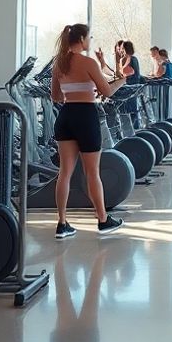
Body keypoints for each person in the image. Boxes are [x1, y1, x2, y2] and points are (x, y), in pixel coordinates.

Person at [52, 24, 125, 237]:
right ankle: (103, 220)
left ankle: (62, 223)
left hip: (66, 116)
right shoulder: (88, 62)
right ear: (82, 39)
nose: (90, 41)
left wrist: (78, 89)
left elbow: (56, 96)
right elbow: (107, 91)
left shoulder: (59, 63)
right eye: (89, 37)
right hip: (85, 116)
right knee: (92, 172)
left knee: (64, 172)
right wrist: (121, 81)